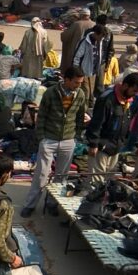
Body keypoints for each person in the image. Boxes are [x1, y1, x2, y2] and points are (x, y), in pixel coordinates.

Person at [20, 65, 87, 217]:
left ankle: (52, 203)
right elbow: (41, 116)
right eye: (76, 82)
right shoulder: (51, 93)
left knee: (61, 176)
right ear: (67, 80)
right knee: (41, 175)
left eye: (80, 82)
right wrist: (42, 138)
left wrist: (76, 136)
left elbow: (80, 116)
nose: (79, 85)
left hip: (68, 139)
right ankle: (30, 205)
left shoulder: (80, 94)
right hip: (49, 139)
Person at [84, 72, 138, 185]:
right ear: (126, 85)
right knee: (96, 182)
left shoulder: (128, 100)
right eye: (134, 91)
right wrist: (93, 144)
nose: (135, 94)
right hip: (101, 147)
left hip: (116, 147)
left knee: (108, 182)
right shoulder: (106, 99)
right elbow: (97, 123)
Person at [73, 24, 108, 105]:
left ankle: (89, 106)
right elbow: (77, 57)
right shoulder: (85, 42)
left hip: (93, 71)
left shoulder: (100, 42)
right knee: (86, 91)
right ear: (95, 33)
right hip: (83, 71)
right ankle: (83, 108)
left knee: (91, 91)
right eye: (101, 36)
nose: (101, 38)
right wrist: (77, 71)